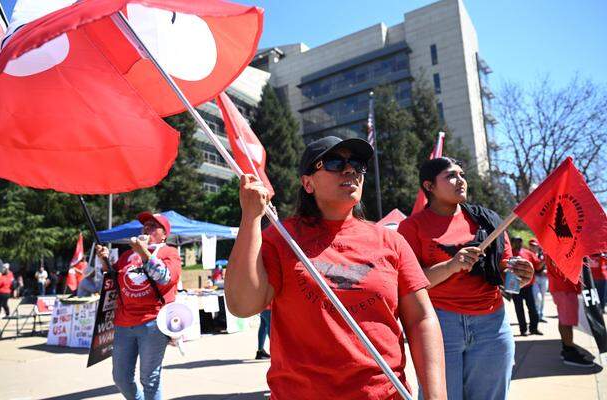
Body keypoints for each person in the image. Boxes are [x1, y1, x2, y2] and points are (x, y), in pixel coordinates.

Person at [226, 136, 446, 399]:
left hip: (384, 394)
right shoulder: (281, 239)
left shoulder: (391, 241)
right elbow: (242, 305)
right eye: (334, 162)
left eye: (357, 164)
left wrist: (436, 395)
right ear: (308, 183)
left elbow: (422, 318)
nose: (350, 169)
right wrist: (250, 218)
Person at [398, 157, 534, 400]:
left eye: (462, 174)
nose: (460, 180)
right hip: (440, 324)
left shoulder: (489, 220)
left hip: (492, 326)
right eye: (451, 175)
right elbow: (409, 284)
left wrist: (519, 277)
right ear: (429, 186)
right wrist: (451, 266)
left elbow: (506, 278)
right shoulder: (411, 227)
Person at [96, 212, 181, 400]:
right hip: (124, 323)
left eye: (153, 226)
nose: (147, 228)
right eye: (145, 225)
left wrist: (144, 252)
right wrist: (104, 260)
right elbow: (113, 280)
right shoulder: (127, 254)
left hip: (153, 323)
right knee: (121, 378)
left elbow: (165, 278)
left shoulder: (169, 252)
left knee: (149, 379)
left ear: (164, 234)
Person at [547, 255, 593, 367]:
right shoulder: (557, 248)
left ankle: (567, 348)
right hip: (565, 288)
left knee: (564, 320)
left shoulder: (555, 246)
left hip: (563, 287)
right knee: (566, 322)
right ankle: (569, 352)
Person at [510, 237, 543, 336]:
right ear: (512, 243)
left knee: (532, 308)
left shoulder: (528, 253)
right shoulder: (509, 253)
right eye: (516, 241)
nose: (518, 243)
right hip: (514, 286)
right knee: (519, 309)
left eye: (520, 241)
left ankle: (534, 328)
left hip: (528, 285)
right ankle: (523, 330)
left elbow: (538, 266)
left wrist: (545, 258)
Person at [529, 238, 548, 322]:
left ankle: (541, 315)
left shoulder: (542, 253)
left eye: (535, 245)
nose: (533, 247)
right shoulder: (528, 254)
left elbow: (549, 264)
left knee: (543, 298)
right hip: (534, 278)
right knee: (538, 297)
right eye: (531, 245)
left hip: (544, 278)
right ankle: (536, 314)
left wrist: (546, 270)